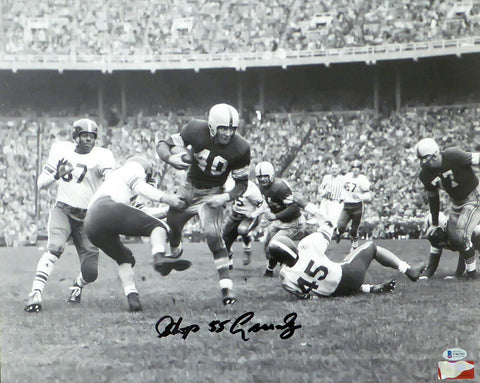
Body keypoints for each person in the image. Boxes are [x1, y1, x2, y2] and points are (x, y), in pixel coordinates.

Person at [156, 103, 251, 305]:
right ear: (212, 126)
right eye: (223, 128)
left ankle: (227, 289)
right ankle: (175, 250)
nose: (227, 133)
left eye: (231, 129)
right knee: (173, 222)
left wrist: (224, 197)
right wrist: (171, 158)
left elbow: (242, 184)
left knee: (213, 235)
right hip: (189, 187)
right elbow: (163, 143)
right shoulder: (195, 129)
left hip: (213, 192)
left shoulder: (241, 148)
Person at [25, 119, 116, 313]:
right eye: (84, 136)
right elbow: (41, 183)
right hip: (64, 210)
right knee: (55, 247)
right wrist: (57, 175)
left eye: (92, 137)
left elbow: (112, 180)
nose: (88, 140)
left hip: (88, 217)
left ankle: (77, 285)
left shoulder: (103, 155)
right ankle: (35, 292)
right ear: (76, 136)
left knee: (91, 272)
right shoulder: (61, 150)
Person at [84, 155, 186, 312]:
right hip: (107, 208)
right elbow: (142, 188)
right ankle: (159, 257)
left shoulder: (117, 184)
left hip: (91, 223)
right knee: (159, 227)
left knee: (125, 258)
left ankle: (133, 299)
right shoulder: (133, 168)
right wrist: (168, 199)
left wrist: (169, 210)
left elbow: (142, 213)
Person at [268, 203, 426, 299]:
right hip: (349, 275)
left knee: (329, 282)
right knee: (371, 247)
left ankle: (367, 289)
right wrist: (315, 212)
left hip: (334, 292)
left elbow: (307, 297)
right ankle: (408, 270)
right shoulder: (305, 246)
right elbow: (327, 229)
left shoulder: (285, 277)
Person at [415, 138, 478, 279]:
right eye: (419, 159)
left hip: (474, 196)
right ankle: (463, 273)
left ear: (435, 154)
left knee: (462, 232)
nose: (421, 163)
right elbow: (433, 198)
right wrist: (435, 222)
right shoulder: (425, 174)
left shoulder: (453, 155)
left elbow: (477, 159)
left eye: (424, 158)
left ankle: (472, 273)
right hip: (456, 202)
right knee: (456, 238)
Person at [255, 161, 306, 278]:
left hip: (293, 221)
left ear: (271, 175)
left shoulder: (280, 187)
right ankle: (280, 262)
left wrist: (275, 216)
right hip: (280, 221)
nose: (262, 179)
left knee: (275, 244)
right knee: (267, 244)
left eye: (265, 176)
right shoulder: (262, 187)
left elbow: (294, 207)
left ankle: (272, 269)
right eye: (259, 177)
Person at [222, 177, 266, 268]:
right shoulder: (229, 182)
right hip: (235, 214)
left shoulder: (252, 189)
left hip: (248, 216)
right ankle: (229, 262)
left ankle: (247, 248)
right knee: (225, 238)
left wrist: (253, 214)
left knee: (242, 229)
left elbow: (263, 206)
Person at [335, 159, 371, 251]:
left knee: (354, 229)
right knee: (340, 225)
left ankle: (354, 244)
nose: (355, 170)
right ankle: (342, 232)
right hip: (347, 205)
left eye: (357, 168)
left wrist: (359, 196)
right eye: (354, 167)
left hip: (357, 206)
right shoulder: (347, 177)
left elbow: (368, 196)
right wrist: (342, 197)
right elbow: (343, 189)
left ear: (360, 169)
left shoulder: (363, 179)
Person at [316, 161, 345, 230]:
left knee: (333, 220)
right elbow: (320, 188)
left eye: (336, 168)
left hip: (337, 202)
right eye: (333, 168)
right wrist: (325, 192)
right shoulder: (326, 178)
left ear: (339, 170)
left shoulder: (343, 178)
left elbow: (345, 190)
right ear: (330, 169)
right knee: (323, 218)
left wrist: (342, 198)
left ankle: (334, 233)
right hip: (327, 201)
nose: (334, 170)